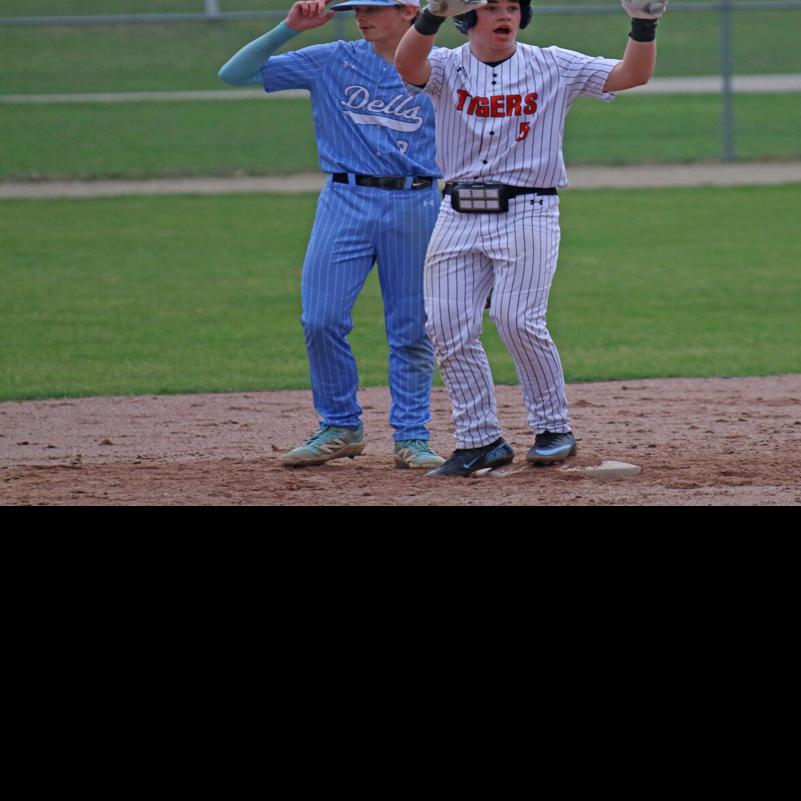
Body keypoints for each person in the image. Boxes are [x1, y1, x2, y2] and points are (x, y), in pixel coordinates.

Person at [394, 0, 664, 476]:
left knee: (517, 319)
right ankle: (479, 441)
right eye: (492, 7)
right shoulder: (446, 65)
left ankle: (553, 428)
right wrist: (432, 13)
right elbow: (406, 65)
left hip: (528, 209)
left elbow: (630, 75)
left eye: (513, 7)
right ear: (466, 17)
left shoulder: (552, 64)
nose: (505, 15)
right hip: (457, 212)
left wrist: (644, 24)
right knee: (448, 327)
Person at [221, 0, 447, 470]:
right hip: (345, 198)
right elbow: (235, 73)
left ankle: (411, 435)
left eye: (373, 7)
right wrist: (289, 28)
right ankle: (341, 425)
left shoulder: (440, 65)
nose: (361, 16)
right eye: (356, 7)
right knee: (321, 319)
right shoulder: (332, 58)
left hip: (417, 201)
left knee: (411, 328)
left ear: (409, 11)